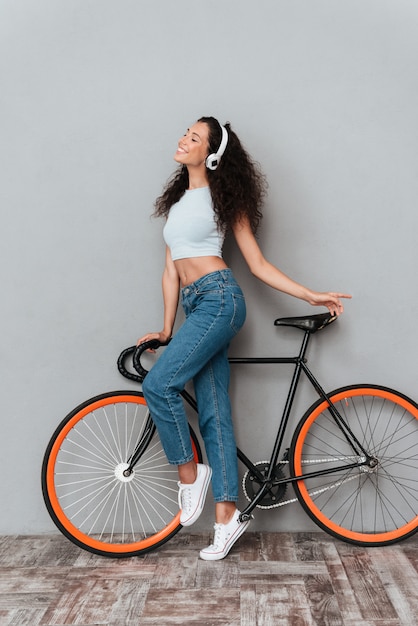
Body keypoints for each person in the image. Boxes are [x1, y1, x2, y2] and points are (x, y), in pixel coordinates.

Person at [137, 116, 351, 561]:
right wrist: (166, 329)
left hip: (220, 300)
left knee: (160, 385)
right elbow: (171, 272)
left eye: (194, 137)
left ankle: (190, 475)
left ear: (212, 153)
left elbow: (256, 264)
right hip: (197, 306)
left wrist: (309, 292)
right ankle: (227, 517)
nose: (183, 139)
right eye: (185, 133)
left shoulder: (222, 199)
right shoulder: (177, 205)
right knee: (214, 412)